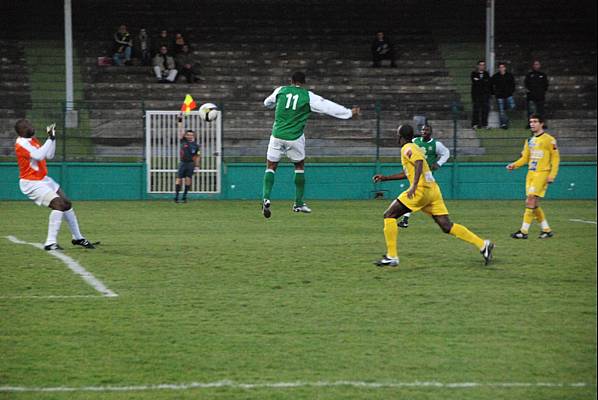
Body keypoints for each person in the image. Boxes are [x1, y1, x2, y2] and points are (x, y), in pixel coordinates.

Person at [372, 124, 494, 267]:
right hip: (432, 190)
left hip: (421, 191)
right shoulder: (414, 147)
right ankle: (482, 245)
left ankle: (392, 256)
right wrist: (386, 178)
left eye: (397, 134)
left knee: (389, 215)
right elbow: (409, 172)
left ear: (400, 136)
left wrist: (414, 186)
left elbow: (418, 163)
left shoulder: (408, 148)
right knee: (446, 226)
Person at [261, 71, 360, 218]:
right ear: (304, 82)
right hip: (294, 137)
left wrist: (274, 105)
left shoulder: (280, 90)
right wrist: (348, 113)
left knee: (271, 166)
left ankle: (266, 198)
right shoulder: (308, 96)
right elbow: (327, 106)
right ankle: (298, 203)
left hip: (277, 135)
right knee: (299, 166)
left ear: (291, 80)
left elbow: (267, 102)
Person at [14, 119, 96, 250]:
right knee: (58, 204)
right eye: (26, 126)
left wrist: (52, 138)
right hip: (31, 182)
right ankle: (50, 242)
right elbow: (39, 155)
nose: (30, 127)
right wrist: (50, 138)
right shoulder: (21, 143)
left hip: (42, 179)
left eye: (30, 124)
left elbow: (49, 155)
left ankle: (78, 238)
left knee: (66, 203)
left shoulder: (32, 140)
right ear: (21, 131)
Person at [507, 114, 559, 239]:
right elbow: (525, 158)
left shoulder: (549, 140)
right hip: (531, 174)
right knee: (533, 203)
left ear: (541, 123)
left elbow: (556, 159)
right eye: (531, 122)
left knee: (530, 199)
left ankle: (523, 232)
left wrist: (552, 175)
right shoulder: (529, 141)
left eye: (535, 121)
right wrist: (514, 165)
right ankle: (546, 230)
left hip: (542, 173)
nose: (532, 124)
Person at [397, 123, 450, 228]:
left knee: (414, 196)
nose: (424, 132)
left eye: (427, 130)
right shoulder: (414, 142)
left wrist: (439, 163)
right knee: (413, 195)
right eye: (422, 130)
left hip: (426, 175)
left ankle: (405, 219)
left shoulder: (436, 144)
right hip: (416, 174)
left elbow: (446, 152)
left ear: (431, 132)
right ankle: (405, 220)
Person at [174, 114, 200, 203]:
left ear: (193, 136)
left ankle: (184, 197)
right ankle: (176, 196)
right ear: (186, 135)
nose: (189, 136)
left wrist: (197, 166)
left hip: (190, 164)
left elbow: (197, 156)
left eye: (191, 135)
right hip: (183, 163)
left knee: (188, 179)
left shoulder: (196, 145)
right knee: (179, 179)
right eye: (188, 134)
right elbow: (180, 129)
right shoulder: (183, 141)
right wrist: (180, 120)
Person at [491, 62, 516, 129]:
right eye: (500, 67)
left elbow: (513, 84)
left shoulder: (509, 75)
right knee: (501, 110)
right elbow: (491, 85)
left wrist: (511, 91)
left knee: (512, 107)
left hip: (508, 95)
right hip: (500, 96)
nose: (501, 69)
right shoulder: (495, 76)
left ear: (505, 68)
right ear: (498, 68)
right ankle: (503, 124)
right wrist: (494, 93)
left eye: (503, 67)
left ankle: (507, 118)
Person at [524, 60, 549, 126]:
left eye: (537, 64)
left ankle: (541, 124)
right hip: (531, 97)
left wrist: (542, 92)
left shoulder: (543, 75)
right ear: (533, 66)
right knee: (530, 112)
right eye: (535, 64)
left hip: (540, 97)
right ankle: (530, 124)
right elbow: (526, 84)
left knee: (541, 112)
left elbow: (546, 85)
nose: (536, 66)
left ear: (539, 65)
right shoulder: (529, 75)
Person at [471, 60, 491, 129]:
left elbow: (487, 83)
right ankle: (475, 124)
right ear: (478, 66)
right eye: (480, 65)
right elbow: (475, 82)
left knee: (485, 110)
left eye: (483, 65)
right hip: (476, 95)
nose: (482, 66)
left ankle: (484, 124)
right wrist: (483, 81)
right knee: (476, 109)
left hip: (485, 95)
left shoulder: (486, 74)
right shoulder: (474, 73)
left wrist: (479, 81)